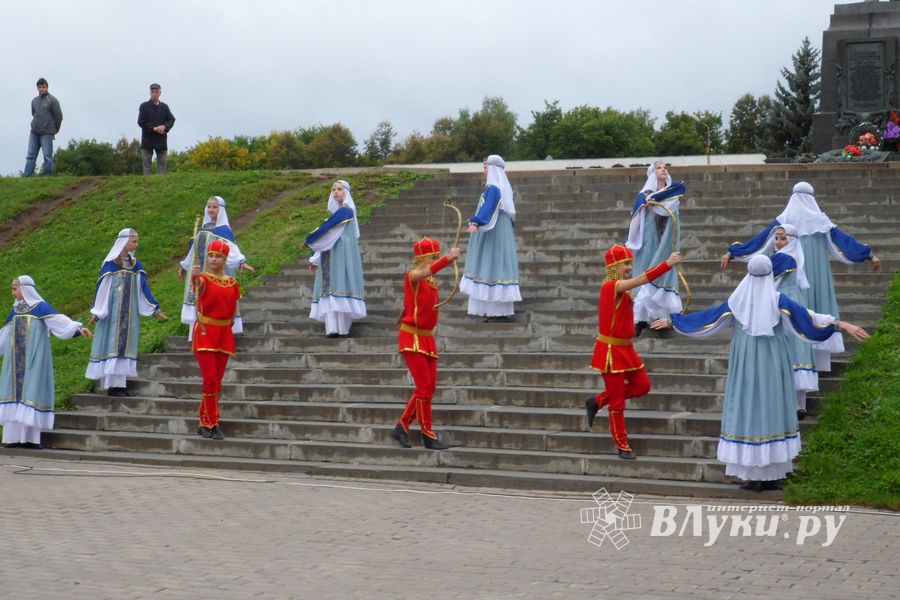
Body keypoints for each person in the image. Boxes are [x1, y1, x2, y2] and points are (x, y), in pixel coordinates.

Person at [651, 255, 869, 491]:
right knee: (771, 409)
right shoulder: (777, 300)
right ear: (770, 276)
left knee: (749, 410)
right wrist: (841, 324)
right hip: (773, 361)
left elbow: (706, 319)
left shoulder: (738, 301)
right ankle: (769, 475)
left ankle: (756, 476)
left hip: (745, 363)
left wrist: (674, 321)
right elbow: (809, 318)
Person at [721, 181, 880, 374]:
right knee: (806, 310)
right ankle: (805, 365)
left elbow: (759, 241)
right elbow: (846, 242)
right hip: (808, 276)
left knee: (798, 313)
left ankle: (803, 365)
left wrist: (733, 252)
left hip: (794, 276)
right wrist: (869, 254)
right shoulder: (819, 221)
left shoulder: (784, 221)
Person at [585, 244, 682, 459]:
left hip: (625, 347)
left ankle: (599, 401)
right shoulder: (610, 286)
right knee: (618, 402)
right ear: (614, 266)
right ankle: (622, 444)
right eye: (625, 264)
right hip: (610, 350)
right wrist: (666, 264)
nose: (629, 267)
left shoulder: (620, 287)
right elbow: (641, 280)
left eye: (630, 263)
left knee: (642, 385)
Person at [0, 276, 92, 449]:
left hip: (34, 358)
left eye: (15, 288)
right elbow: (4, 335)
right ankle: (12, 438)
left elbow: (59, 321)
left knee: (32, 391)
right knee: (14, 393)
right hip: (15, 361)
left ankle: (31, 439)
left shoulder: (40, 308)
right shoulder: (15, 311)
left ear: (25, 289)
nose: (13, 292)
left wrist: (78, 328)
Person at [390, 237, 461, 451]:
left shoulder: (430, 282)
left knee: (429, 387)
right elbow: (425, 272)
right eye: (433, 257)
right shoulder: (413, 276)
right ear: (424, 259)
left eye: (437, 257)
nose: (435, 260)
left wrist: (445, 260)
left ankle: (402, 426)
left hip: (426, 337)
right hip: (411, 337)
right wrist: (448, 259)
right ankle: (427, 434)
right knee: (424, 387)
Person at [86, 228, 167, 396]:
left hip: (129, 315)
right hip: (113, 314)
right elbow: (102, 290)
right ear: (123, 242)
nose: (136, 244)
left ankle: (120, 384)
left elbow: (143, 289)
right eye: (134, 241)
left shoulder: (135, 266)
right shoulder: (110, 265)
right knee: (112, 345)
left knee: (125, 346)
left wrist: (154, 308)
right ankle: (112, 386)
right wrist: (98, 311)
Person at [179, 196, 254, 340]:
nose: (211, 209)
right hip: (200, 272)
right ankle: (196, 335)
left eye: (214, 207)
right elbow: (193, 251)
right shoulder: (202, 230)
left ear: (221, 210)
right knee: (198, 299)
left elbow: (231, 248)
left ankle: (219, 335)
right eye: (209, 206)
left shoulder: (223, 231)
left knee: (214, 302)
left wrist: (241, 262)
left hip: (216, 274)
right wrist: (184, 266)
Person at [626, 162, 686, 337]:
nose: (664, 169)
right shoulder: (645, 195)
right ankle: (640, 320)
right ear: (653, 173)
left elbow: (674, 216)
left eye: (665, 167)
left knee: (663, 273)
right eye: (659, 167)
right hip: (649, 241)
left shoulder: (672, 195)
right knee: (645, 273)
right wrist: (647, 205)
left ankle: (661, 320)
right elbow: (636, 216)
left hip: (665, 242)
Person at [460, 154, 522, 322]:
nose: (484, 170)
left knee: (492, 264)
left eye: (486, 167)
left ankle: (496, 309)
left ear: (493, 169)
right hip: (499, 231)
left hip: (494, 232)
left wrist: (477, 222)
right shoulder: (500, 187)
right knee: (497, 264)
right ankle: (496, 309)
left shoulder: (494, 187)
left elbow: (489, 207)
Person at [191, 239, 241, 440]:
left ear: (225, 258)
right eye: (211, 255)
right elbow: (197, 285)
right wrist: (193, 277)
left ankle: (204, 422)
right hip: (205, 331)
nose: (213, 259)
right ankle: (212, 422)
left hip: (224, 333)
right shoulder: (203, 278)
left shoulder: (232, 283)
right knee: (210, 378)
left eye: (217, 256)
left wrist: (228, 327)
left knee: (217, 382)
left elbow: (233, 308)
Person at [304, 180, 366, 338]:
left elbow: (327, 233)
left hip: (341, 256)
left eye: (339, 189)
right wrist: (315, 259)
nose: (335, 192)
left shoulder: (346, 211)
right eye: (333, 189)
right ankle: (333, 328)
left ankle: (342, 329)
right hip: (332, 255)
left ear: (346, 192)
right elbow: (328, 239)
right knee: (332, 289)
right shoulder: (339, 214)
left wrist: (309, 240)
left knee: (338, 286)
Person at [23, 77, 63, 176]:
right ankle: (26, 176)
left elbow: (59, 116)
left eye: (43, 87)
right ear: (37, 88)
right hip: (34, 132)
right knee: (30, 155)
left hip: (47, 132)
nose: (41, 89)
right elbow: (34, 113)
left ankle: (47, 176)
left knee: (47, 156)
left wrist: (55, 129)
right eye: (39, 87)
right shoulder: (34, 101)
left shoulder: (53, 100)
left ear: (47, 87)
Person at [137, 83, 176, 175]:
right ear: (150, 93)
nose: (154, 93)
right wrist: (153, 128)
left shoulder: (164, 107)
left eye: (156, 92)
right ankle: (147, 186)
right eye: (152, 91)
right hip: (148, 139)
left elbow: (172, 119)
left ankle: (161, 185)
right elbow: (141, 121)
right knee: (146, 165)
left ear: (160, 93)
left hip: (161, 140)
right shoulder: (144, 106)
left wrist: (164, 127)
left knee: (162, 164)